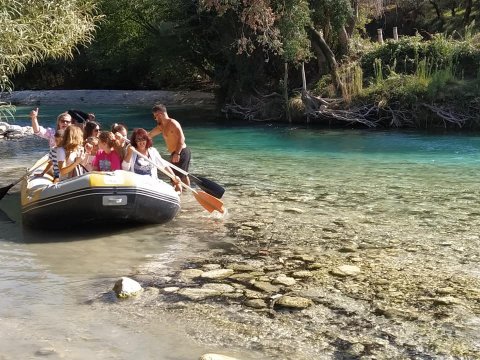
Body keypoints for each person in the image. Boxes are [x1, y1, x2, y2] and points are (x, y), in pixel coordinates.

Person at [122, 128, 182, 193]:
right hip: (138, 185)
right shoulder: (132, 151)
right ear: (135, 141)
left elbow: (163, 166)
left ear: (147, 140)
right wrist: (129, 153)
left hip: (152, 184)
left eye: (143, 139)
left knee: (171, 190)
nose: (141, 142)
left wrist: (174, 177)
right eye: (138, 139)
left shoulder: (152, 151)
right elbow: (125, 168)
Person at [148, 104, 191, 186]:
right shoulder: (162, 126)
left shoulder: (173, 123)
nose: (155, 119)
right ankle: (187, 195)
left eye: (155, 117)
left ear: (160, 115)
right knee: (181, 176)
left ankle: (181, 195)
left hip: (181, 152)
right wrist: (138, 138)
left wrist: (177, 153)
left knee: (176, 178)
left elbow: (182, 139)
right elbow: (150, 135)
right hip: (176, 153)